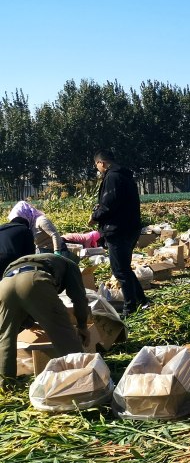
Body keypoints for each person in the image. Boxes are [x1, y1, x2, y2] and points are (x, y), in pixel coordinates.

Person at [0, 253, 89, 379]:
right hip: (34, 279)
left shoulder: (36, 258)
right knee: (63, 332)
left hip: (5, 284)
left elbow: (18, 298)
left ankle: (6, 383)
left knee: (6, 336)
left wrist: (29, 324)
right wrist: (82, 326)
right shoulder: (71, 265)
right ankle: (82, 378)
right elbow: (79, 299)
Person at [89, 150, 147, 317]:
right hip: (131, 227)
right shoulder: (125, 175)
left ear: (101, 163)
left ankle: (130, 307)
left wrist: (94, 217)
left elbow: (108, 205)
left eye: (97, 165)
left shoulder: (112, 177)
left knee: (119, 270)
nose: (98, 169)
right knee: (124, 268)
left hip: (118, 229)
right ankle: (142, 301)